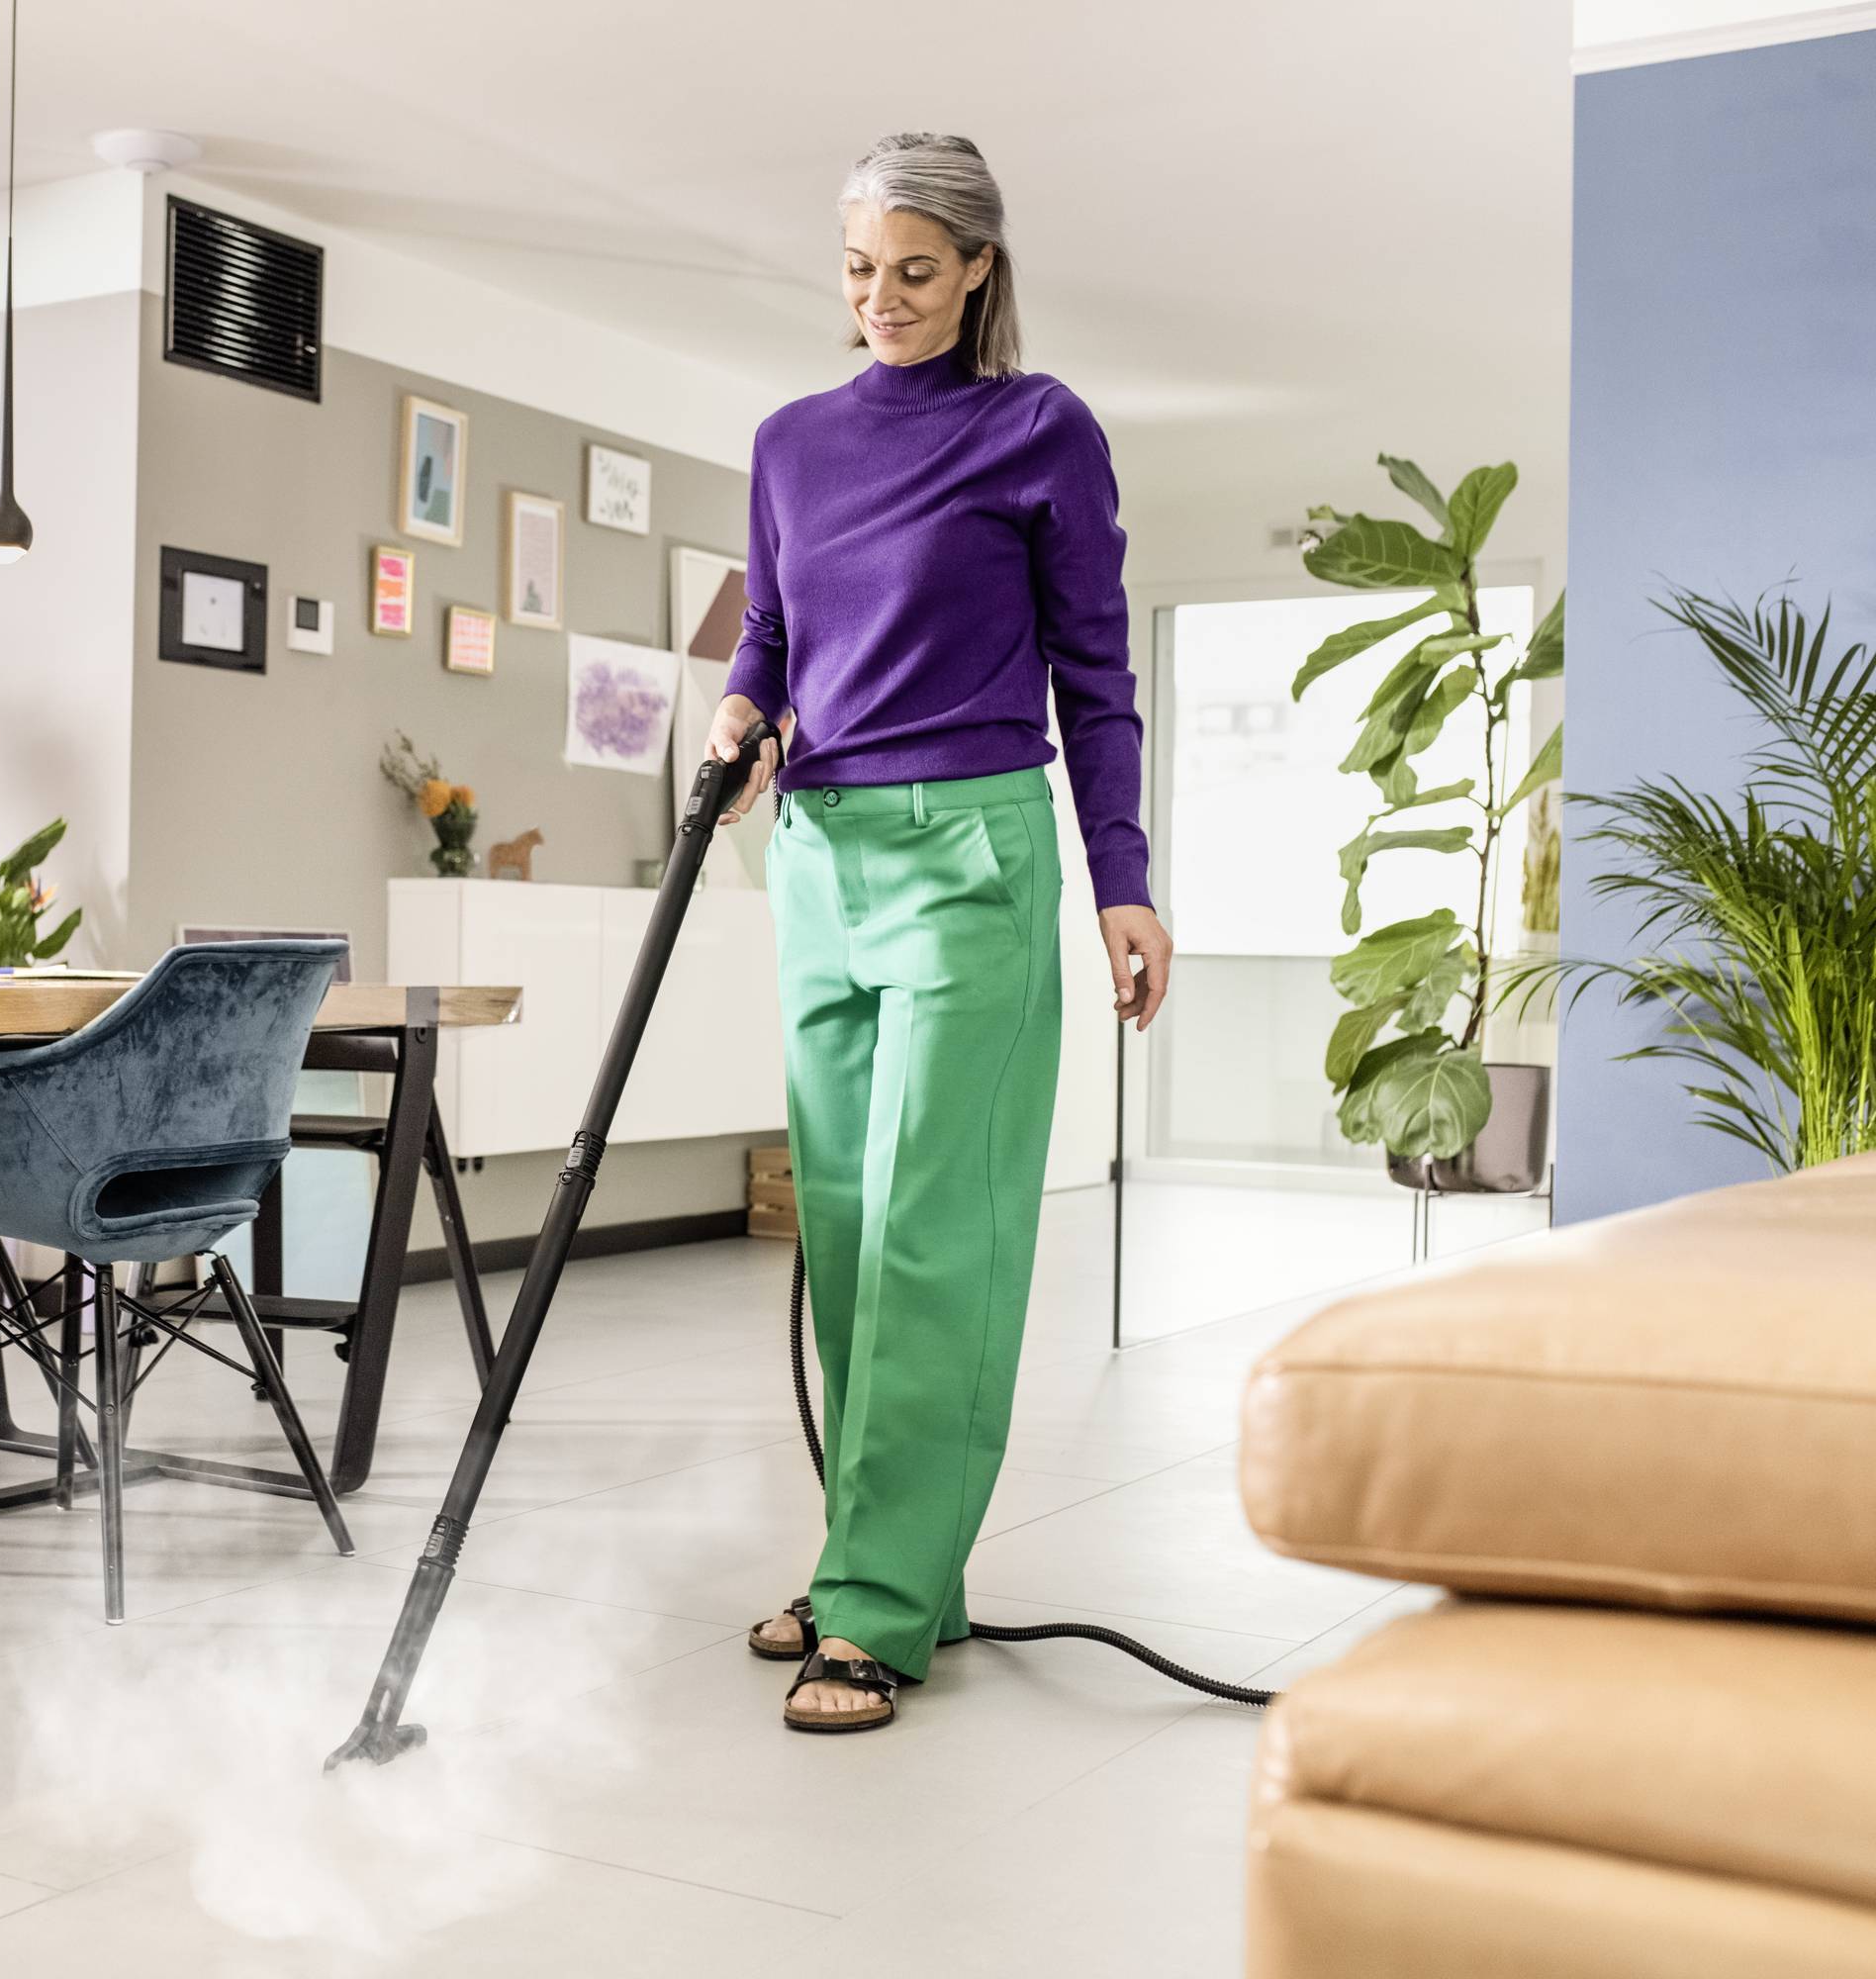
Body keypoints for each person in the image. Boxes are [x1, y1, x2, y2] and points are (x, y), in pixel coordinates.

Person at [706, 132, 1172, 1734]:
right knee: (840, 1224)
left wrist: (1122, 876)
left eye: (915, 269)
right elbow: (770, 627)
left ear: (978, 268)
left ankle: (880, 1605)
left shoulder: (1040, 429)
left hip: (974, 847)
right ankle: (891, 1559)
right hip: (818, 857)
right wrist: (739, 706)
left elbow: (1097, 674)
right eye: (858, 270)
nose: (881, 298)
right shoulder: (788, 442)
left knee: (933, 1228)